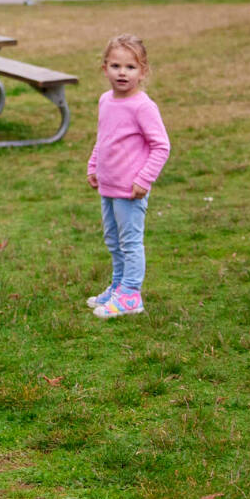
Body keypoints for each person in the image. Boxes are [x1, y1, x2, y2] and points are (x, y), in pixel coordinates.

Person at [86, 34, 170, 319]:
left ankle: (132, 295)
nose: (122, 72)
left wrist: (144, 180)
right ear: (105, 68)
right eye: (116, 66)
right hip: (108, 186)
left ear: (143, 71)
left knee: (130, 242)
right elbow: (104, 138)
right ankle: (119, 286)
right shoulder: (105, 101)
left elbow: (161, 146)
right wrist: (93, 166)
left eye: (131, 67)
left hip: (131, 190)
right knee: (113, 240)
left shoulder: (142, 106)